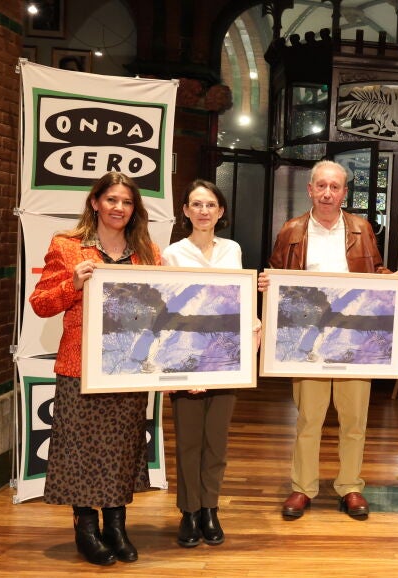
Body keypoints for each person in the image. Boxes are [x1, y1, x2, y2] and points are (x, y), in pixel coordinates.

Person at [257, 160, 398, 520]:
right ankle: (302, 487)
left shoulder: (361, 228)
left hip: (354, 340)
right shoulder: (292, 230)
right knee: (308, 419)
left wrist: (394, 280)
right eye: (321, 186)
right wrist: (267, 282)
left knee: (354, 418)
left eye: (335, 187)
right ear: (310, 189)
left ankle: (350, 486)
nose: (327, 193)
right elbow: (277, 276)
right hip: (307, 341)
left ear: (344, 192)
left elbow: (374, 272)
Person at [29, 172, 161, 566]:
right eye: (112, 200)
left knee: (121, 448)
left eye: (127, 202)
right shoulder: (67, 246)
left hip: (128, 369)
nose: (119, 208)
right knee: (81, 450)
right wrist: (71, 284)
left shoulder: (148, 252)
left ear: (134, 209)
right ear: (95, 203)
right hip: (80, 367)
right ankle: (86, 528)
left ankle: (116, 526)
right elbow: (41, 304)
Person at [162, 180, 255, 548]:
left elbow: (240, 301)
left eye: (210, 205)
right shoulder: (172, 254)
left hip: (225, 357)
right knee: (188, 441)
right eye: (196, 204)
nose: (203, 211)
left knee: (216, 441)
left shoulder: (233, 250)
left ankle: (210, 508)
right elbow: (167, 310)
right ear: (186, 210)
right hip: (185, 356)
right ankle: (189, 511)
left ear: (221, 211)